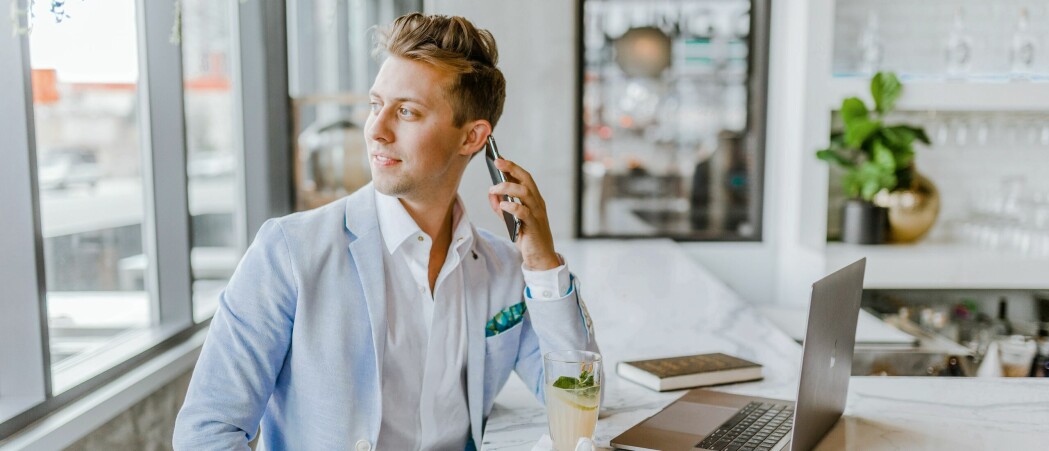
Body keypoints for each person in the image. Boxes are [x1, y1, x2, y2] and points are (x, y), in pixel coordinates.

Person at [173, 13, 599, 451]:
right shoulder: (288, 252)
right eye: (376, 105)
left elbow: (577, 401)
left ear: (473, 138)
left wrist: (542, 263)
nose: (376, 130)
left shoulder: (502, 269)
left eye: (407, 112)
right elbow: (205, 433)